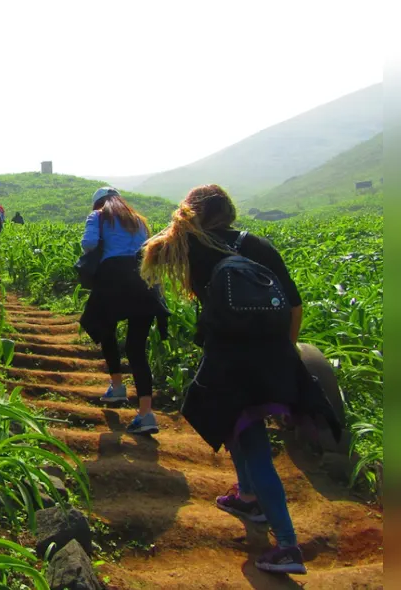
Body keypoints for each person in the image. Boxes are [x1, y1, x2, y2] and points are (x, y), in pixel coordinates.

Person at [139, 184, 342, 575]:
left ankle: (286, 545)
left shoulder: (192, 248)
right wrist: (283, 355)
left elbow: (153, 262)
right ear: (230, 212)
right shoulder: (258, 245)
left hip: (230, 361)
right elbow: (294, 306)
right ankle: (248, 496)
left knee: (251, 441)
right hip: (271, 358)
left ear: (193, 214)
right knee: (242, 428)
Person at [78, 187, 168, 435]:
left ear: (98, 203)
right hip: (143, 279)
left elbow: (88, 244)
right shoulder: (138, 219)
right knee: (137, 349)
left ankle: (117, 386)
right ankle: (146, 414)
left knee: (105, 329)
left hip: (113, 279)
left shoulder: (98, 216)